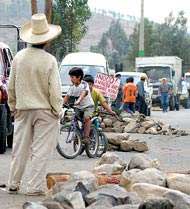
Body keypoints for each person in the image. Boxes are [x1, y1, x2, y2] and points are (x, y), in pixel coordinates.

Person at [7, 13, 63, 195]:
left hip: (22, 109)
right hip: (45, 112)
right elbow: (54, 91)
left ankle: (13, 183)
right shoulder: (50, 60)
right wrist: (57, 110)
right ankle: (33, 187)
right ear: (46, 40)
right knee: (40, 150)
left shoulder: (19, 57)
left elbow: (11, 86)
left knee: (19, 148)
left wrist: (13, 106)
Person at [63, 68, 94, 144]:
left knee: (86, 118)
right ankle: (78, 135)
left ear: (79, 77)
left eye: (72, 77)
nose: (71, 79)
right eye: (70, 77)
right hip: (78, 107)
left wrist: (79, 100)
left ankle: (86, 137)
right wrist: (61, 105)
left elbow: (84, 93)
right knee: (73, 118)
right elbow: (66, 97)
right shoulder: (72, 87)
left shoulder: (84, 84)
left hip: (88, 106)